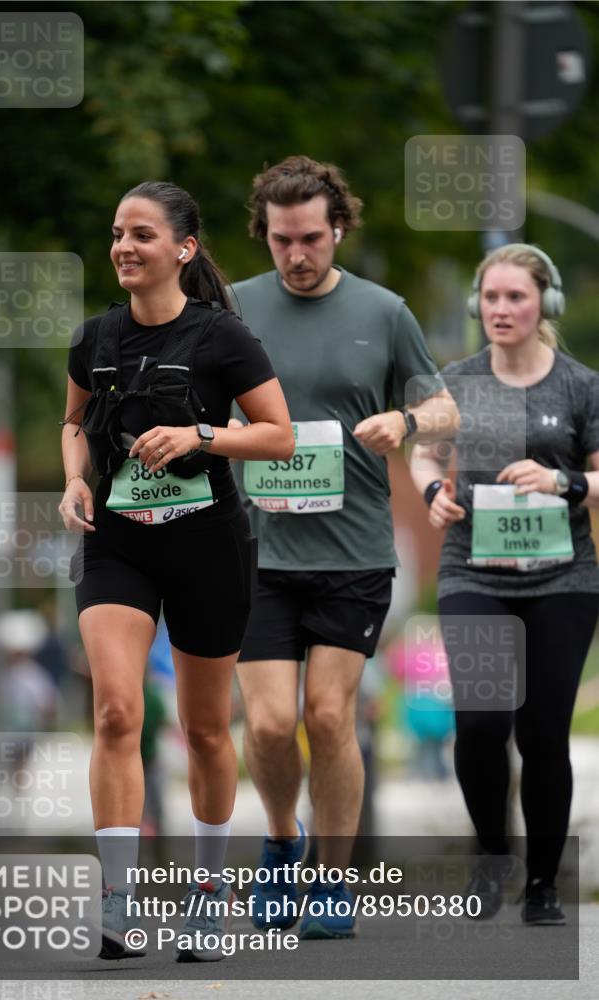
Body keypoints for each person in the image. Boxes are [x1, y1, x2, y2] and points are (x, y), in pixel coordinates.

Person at [58, 181, 293, 961]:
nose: (123, 247)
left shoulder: (223, 337)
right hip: (118, 542)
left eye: (142, 235)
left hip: (206, 545)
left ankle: (207, 895)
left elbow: (278, 436)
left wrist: (200, 436)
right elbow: (72, 422)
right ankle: (117, 901)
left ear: (183, 249)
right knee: (115, 712)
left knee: (204, 730)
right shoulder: (94, 337)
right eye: (117, 233)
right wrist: (75, 479)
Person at [230, 155, 459, 939]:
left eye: (311, 239)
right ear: (264, 234)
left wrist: (406, 421)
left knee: (328, 718)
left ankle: (331, 880)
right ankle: (280, 844)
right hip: (254, 552)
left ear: (338, 230)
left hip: (352, 553)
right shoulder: (231, 309)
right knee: (268, 725)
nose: (297, 255)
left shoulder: (384, 312)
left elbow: (445, 408)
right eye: (281, 240)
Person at [410, 243, 599, 926]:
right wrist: (432, 492)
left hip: (562, 578)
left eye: (515, 296)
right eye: (490, 296)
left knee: (543, 733)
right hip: (473, 572)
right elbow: (423, 453)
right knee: (481, 723)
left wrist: (562, 481)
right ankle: (491, 856)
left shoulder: (579, 386)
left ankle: (542, 883)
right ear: (475, 304)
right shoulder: (455, 382)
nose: (500, 308)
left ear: (544, 302)